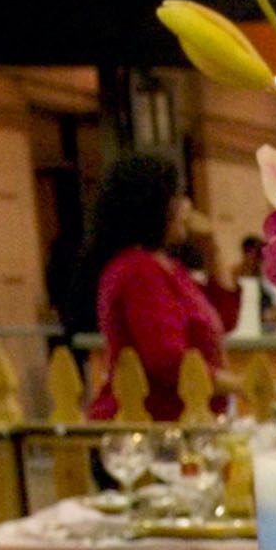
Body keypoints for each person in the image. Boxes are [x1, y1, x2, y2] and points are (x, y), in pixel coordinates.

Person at [80, 152, 226, 423]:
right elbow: (166, 358)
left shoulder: (169, 268)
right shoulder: (138, 271)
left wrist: (212, 249)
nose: (187, 208)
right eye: (179, 197)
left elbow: (225, 319)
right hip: (149, 426)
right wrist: (232, 383)